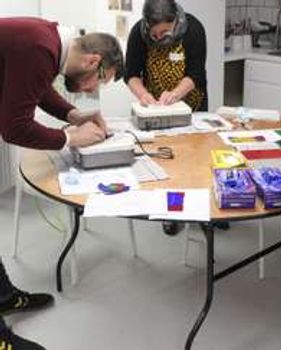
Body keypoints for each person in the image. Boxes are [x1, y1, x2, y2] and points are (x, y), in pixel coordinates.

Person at [0, 17, 124, 349]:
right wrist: (70, 138)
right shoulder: (39, 47)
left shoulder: (50, 42)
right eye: (99, 82)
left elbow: (36, 89)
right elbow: (14, 129)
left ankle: (3, 296)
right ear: (93, 61)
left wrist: (73, 115)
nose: (92, 91)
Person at [124, 0, 211, 235]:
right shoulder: (137, 34)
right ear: (146, 26)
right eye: (155, 33)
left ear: (175, 21)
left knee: (194, 161)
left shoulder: (193, 29)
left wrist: (174, 95)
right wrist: (144, 96)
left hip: (192, 105)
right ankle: (171, 211)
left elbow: (196, 74)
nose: (160, 37)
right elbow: (130, 74)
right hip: (156, 111)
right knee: (166, 160)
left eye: (166, 31)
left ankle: (204, 212)